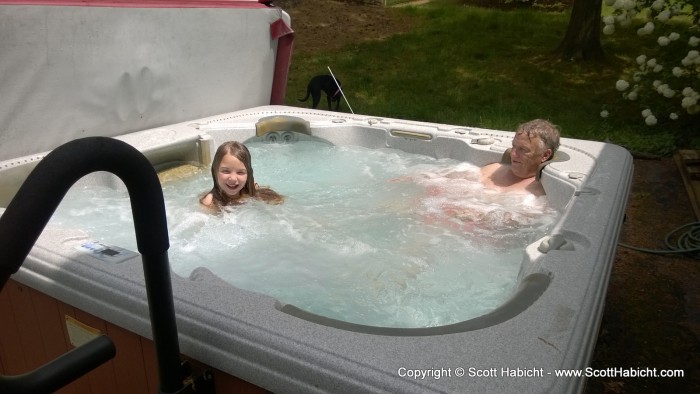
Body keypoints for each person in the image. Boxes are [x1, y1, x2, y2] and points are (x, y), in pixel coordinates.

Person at [480, 119, 560, 196]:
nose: (513, 154)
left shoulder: (539, 192)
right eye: (513, 146)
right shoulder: (492, 170)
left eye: (522, 149)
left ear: (545, 155)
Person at [200, 141, 284, 209]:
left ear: (248, 174)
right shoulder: (210, 203)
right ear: (215, 171)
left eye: (240, 172)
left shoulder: (250, 189)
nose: (233, 178)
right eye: (226, 171)